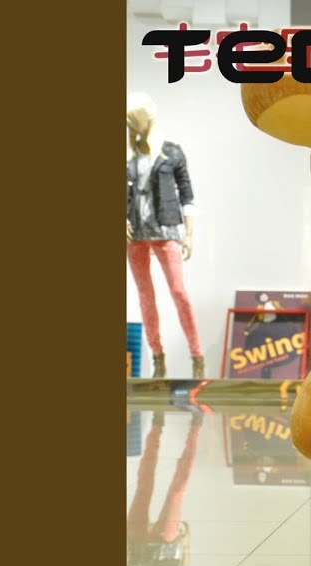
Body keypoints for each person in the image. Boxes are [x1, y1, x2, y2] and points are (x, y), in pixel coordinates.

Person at [126, 92, 206, 379]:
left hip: (166, 228)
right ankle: (158, 357)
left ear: (146, 120)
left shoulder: (171, 152)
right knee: (145, 296)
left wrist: (189, 233)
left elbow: (187, 193)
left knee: (178, 291)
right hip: (135, 234)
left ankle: (197, 356)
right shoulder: (128, 155)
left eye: (134, 120)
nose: (130, 126)